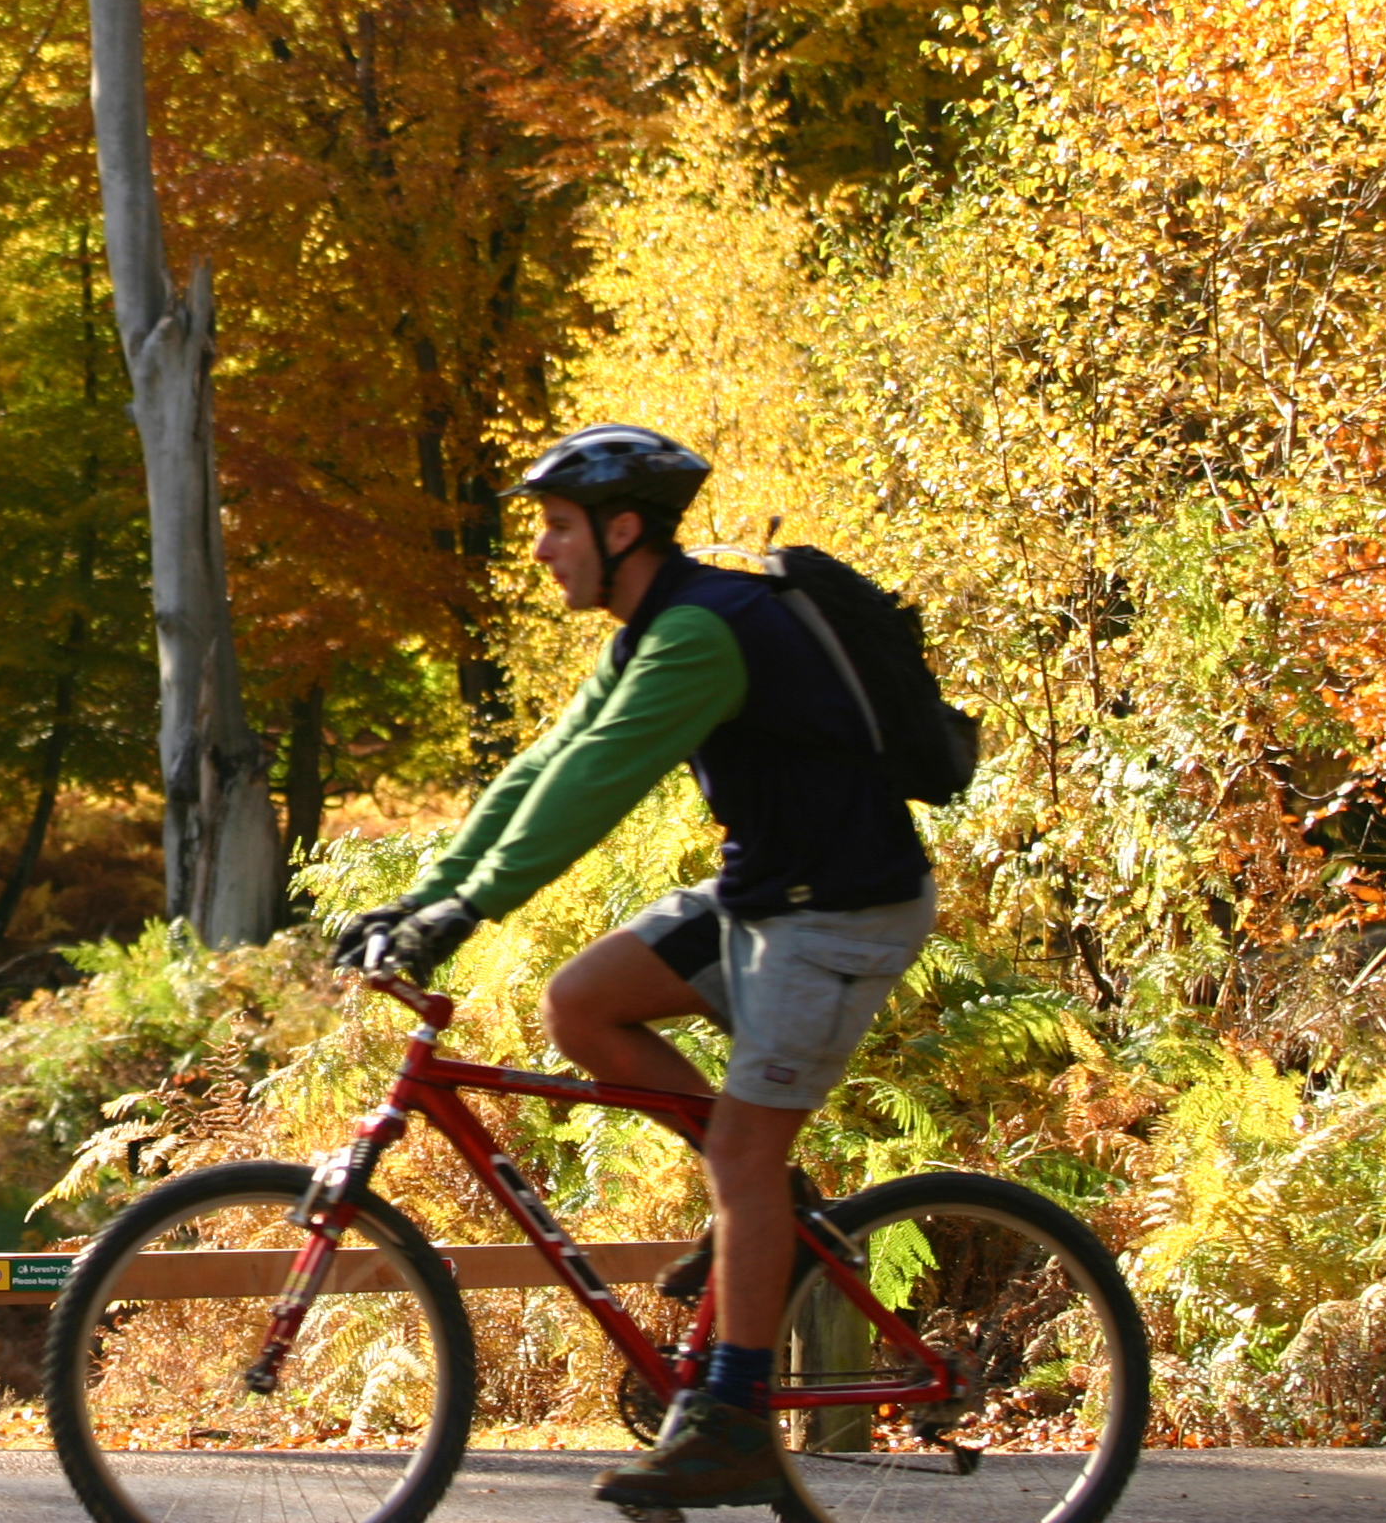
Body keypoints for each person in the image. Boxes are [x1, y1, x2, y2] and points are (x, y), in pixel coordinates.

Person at [331, 424, 935, 1509]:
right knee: (583, 1004)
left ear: (622, 529)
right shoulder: (650, 631)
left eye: (558, 526)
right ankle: (778, 1213)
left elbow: (597, 783)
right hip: (768, 892)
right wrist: (432, 894)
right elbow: (542, 767)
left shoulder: (706, 631)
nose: (542, 550)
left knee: (741, 1151)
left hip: (842, 909)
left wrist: (470, 907)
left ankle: (736, 1416)